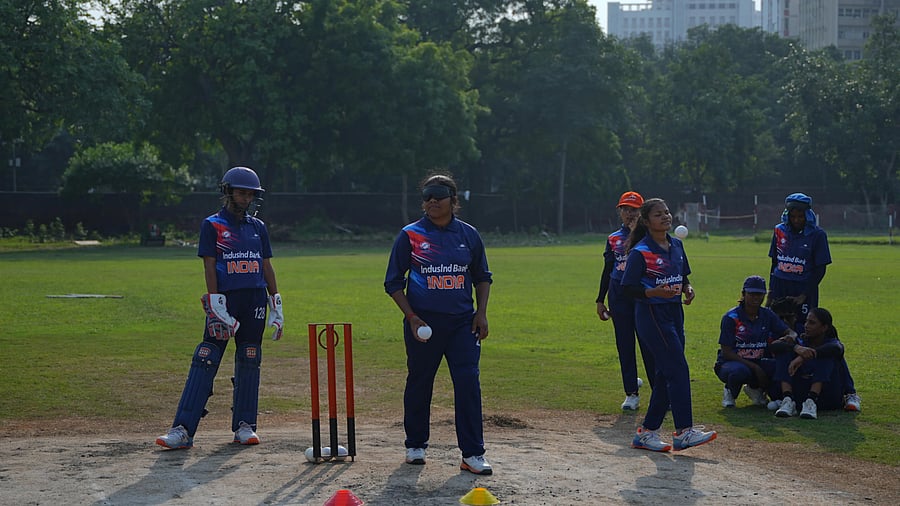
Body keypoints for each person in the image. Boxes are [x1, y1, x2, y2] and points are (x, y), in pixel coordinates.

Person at [156, 166, 284, 449]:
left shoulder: (257, 228)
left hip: (254, 300)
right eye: (241, 192)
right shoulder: (212, 225)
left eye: (251, 193)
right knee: (206, 358)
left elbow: (266, 265)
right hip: (226, 300)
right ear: (228, 192)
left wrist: (276, 301)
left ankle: (245, 425)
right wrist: (215, 300)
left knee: (250, 358)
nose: (246, 197)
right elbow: (209, 265)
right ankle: (182, 429)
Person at [383, 173, 494, 475]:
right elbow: (393, 282)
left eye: (439, 195)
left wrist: (481, 313)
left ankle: (472, 453)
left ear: (453, 201)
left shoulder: (469, 235)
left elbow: (482, 277)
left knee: (468, 383)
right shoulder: (410, 235)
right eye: (427, 195)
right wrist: (412, 317)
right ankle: (415, 445)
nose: (432, 200)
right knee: (420, 382)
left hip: (462, 325)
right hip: (423, 324)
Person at [622, 198, 716, 452]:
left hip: (674, 313)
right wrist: (654, 293)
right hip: (652, 316)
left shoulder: (676, 245)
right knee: (678, 369)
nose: (665, 217)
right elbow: (628, 288)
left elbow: (682, 275)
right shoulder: (641, 251)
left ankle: (647, 432)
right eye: (658, 214)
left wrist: (688, 288)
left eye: (667, 212)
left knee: (666, 373)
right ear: (646, 221)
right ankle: (684, 431)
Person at [596, 191, 654, 410]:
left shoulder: (649, 236)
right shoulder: (613, 238)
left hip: (642, 295)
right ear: (619, 211)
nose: (629, 213)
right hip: (618, 295)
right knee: (624, 343)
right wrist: (600, 299)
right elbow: (608, 269)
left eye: (634, 209)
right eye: (625, 209)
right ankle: (631, 392)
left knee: (648, 343)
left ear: (642, 212)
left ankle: (659, 391)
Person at [714, 276, 796, 408]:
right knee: (739, 372)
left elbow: (788, 331)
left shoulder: (767, 315)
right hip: (731, 363)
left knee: (780, 366)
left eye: (759, 294)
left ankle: (758, 389)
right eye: (751, 294)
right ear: (743, 294)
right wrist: (755, 367)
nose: (756, 298)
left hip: (759, 361)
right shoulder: (731, 317)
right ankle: (729, 391)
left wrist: (791, 336)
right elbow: (727, 352)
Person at [770, 298, 861, 412]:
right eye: (806, 321)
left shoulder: (831, 343)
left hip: (827, 396)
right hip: (801, 393)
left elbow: (837, 349)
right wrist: (796, 348)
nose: (806, 325)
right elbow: (774, 346)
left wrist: (804, 356)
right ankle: (787, 399)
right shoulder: (801, 340)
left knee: (826, 356)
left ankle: (817, 400)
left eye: (812, 323)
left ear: (824, 327)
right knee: (783, 353)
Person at [767, 193, 831, 325]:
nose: (796, 220)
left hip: (803, 287)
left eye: (800, 217)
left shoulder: (817, 235)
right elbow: (774, 262)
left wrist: (804, 295)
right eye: (793, 216)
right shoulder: (779, 231)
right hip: (780, 285)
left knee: (803, 325)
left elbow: (820, 269)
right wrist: (771, 292)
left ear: (807, 215)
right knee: (776, 325)